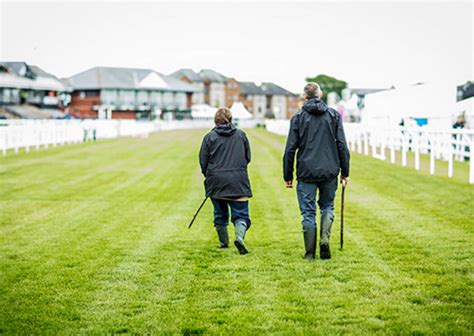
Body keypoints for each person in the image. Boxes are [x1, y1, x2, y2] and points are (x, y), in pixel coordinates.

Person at [283, 83, 350, 260]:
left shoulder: (298, 118)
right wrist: (345, 172)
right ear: (320, 94)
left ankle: (310, 253)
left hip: (306, 173)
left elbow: (290, 149)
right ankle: (325, 240)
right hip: (329, 171)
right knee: (327, 206)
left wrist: (287, 176)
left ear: (304, 97)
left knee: (308, 212)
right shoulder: (333, 116)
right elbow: (342, 145)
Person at [199, 107, 252, 255]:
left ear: (215, 121)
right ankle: (239, 237)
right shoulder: (241, 135)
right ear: (230, 119)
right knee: (241, 214)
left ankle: (224, 242)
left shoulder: (209, 137)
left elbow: (203, 161)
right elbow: (248, 157)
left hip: (216, 181)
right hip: (238, 182)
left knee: (220, 213)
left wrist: (209, 176)